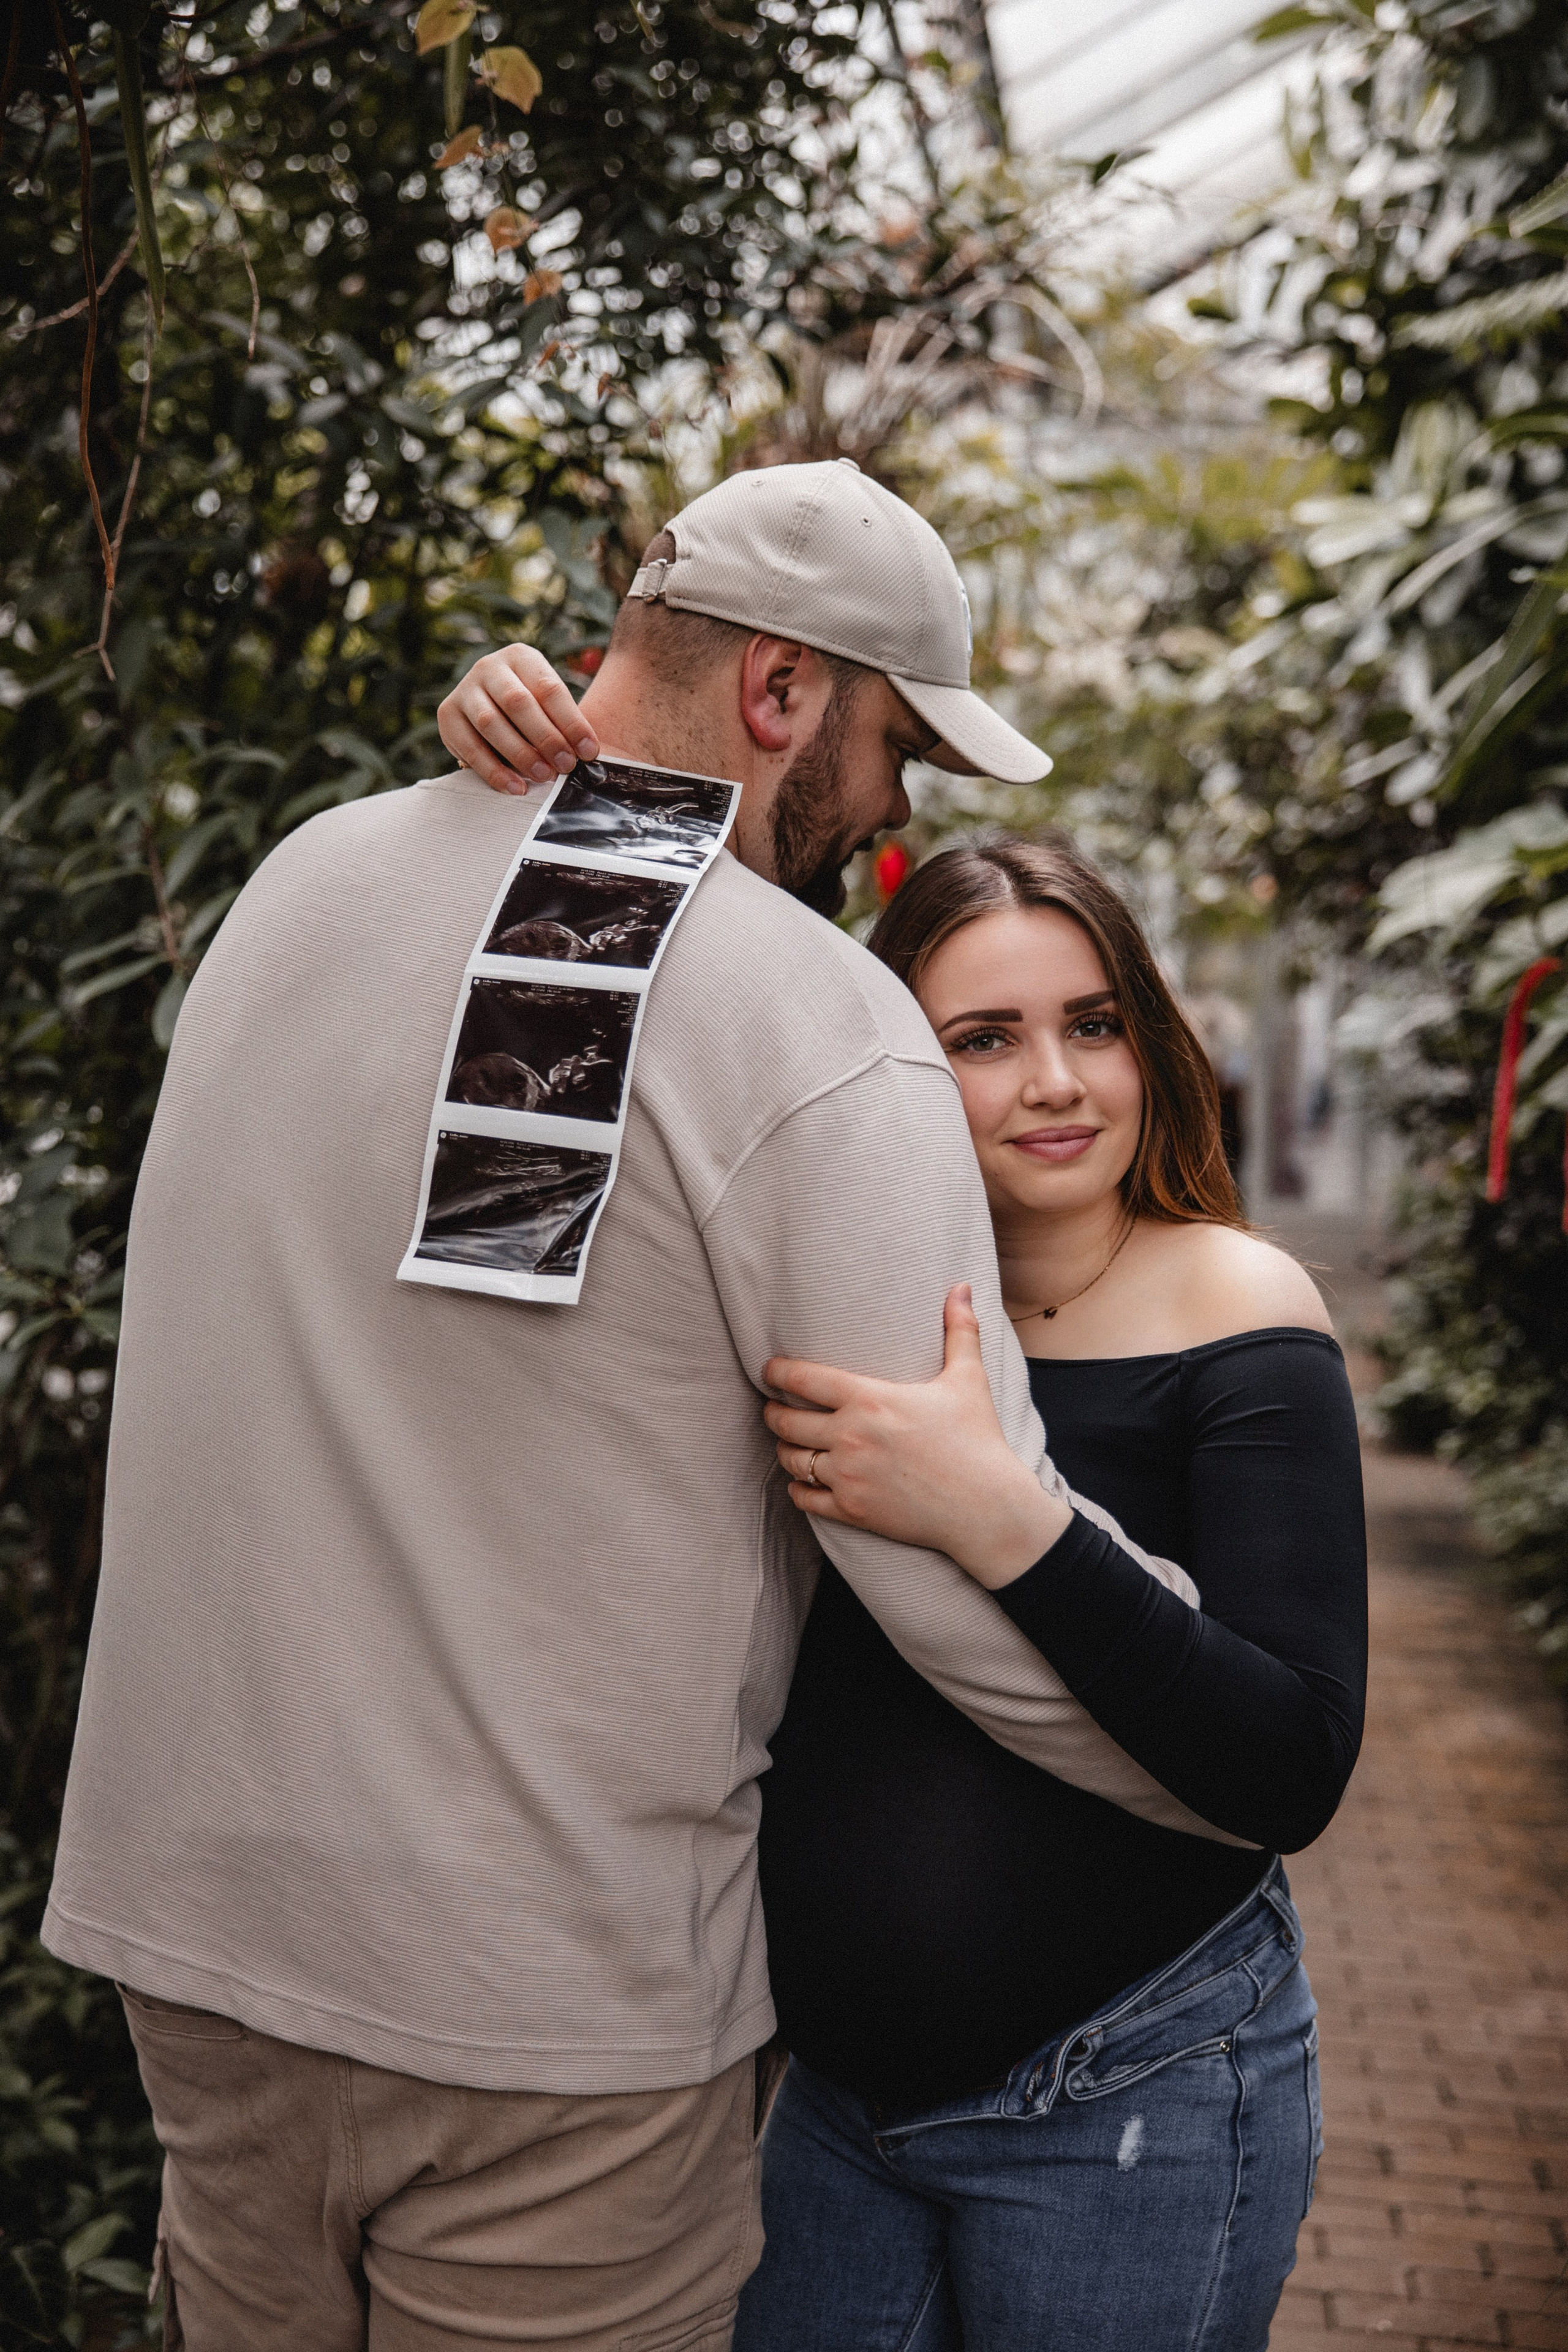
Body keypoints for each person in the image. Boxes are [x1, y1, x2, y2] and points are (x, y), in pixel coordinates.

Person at [44, 464, 1232, 2352]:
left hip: (200, 1945)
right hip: (546, 2007)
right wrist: (1216, 1747)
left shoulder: (291, 888)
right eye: (898, 744)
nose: (902, 813)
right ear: (780, 695)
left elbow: (483, 1321)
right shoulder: (820, 1024)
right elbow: (952, 1563)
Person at [738, 835, 1368, 2352]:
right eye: (984, 1040)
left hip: (1128, 2098)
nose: (1057, 1083)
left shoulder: (1237, 1305)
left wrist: (1000, 1516)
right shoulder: (849, 1316)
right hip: (831, 2112)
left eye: (1092, 1025)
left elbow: (1290, 1760)